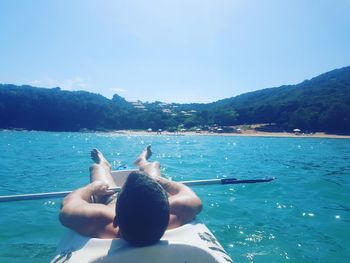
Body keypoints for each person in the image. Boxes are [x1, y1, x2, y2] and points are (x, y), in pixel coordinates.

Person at [59, 146, 202, 247]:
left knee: (96, 169)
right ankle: (143, 161)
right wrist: (161, 182)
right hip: (154, 201)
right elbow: (187, 192)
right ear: (168, 213)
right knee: (154, 166)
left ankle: (104, 164)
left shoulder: (98, 219)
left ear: (115, 220)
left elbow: (69, 203)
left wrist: (92, 187)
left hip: (111, 198)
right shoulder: (183, 209)